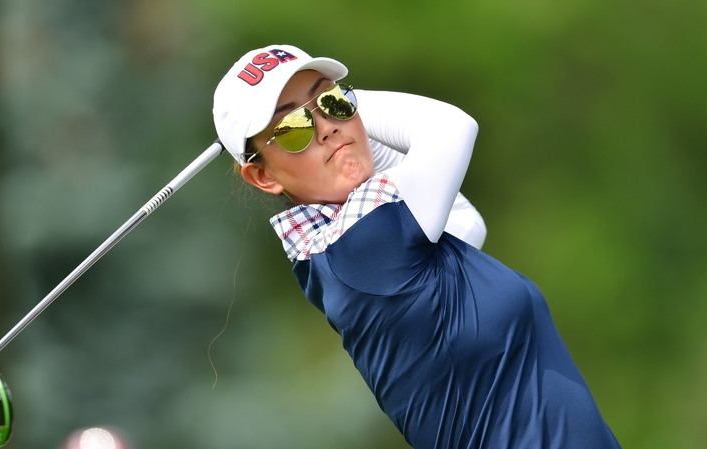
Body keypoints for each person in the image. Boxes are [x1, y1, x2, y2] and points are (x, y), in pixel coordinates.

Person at [212, 44, 620, 449]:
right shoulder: (365, 246)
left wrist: (341, 128)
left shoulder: (343, 252)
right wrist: (350, 106)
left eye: (332, 100)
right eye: (294, 128)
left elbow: (466, 221)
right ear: (263, 178)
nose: (326, 126)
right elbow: (452, 127)